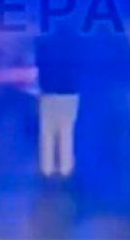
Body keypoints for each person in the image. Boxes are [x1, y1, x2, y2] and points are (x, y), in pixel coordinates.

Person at [35, 22, 82, 179]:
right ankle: (65, 168)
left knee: (47, 131)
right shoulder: (75, 46)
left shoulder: (44, 43)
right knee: (66, 130)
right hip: (70, 92)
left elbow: (39, 64)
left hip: (48, 92)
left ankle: (46, 168)